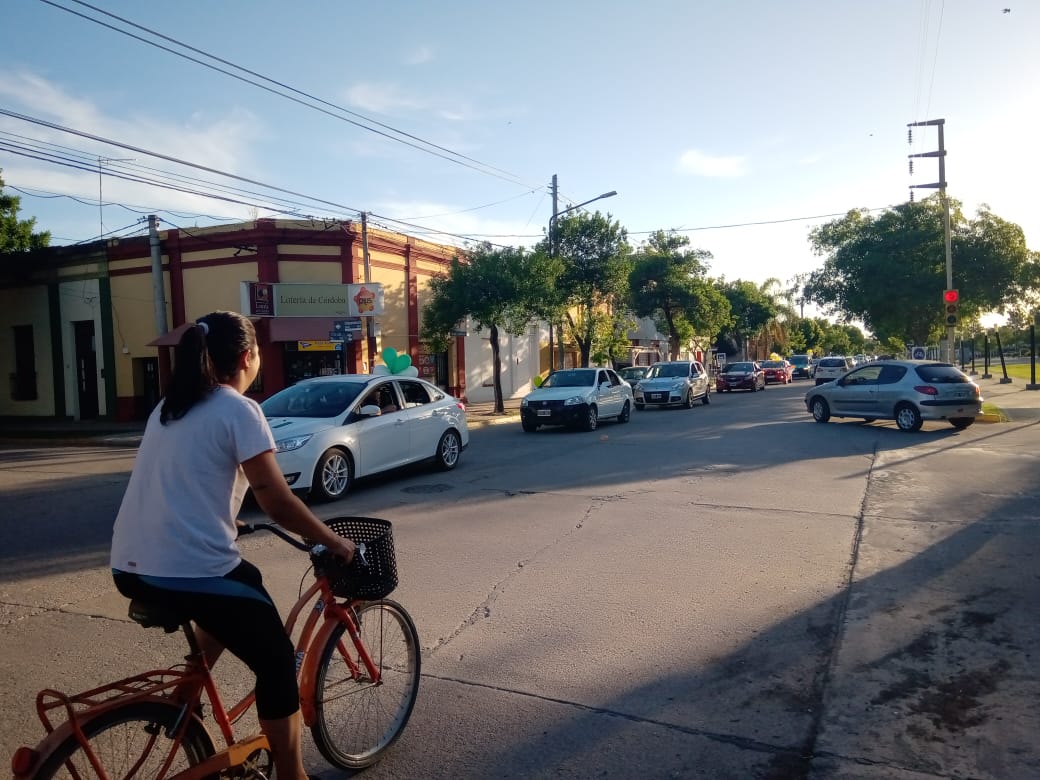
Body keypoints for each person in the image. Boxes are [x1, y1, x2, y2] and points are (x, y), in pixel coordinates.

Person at [110, 311, 355, 780]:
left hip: (128, 566)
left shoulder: (169, 408)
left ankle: (187, 692)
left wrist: (222, 519)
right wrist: (332, 540)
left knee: (241, 586)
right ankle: (293, 774)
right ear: (247, 357)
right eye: (258, 351)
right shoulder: (239, 409)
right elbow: (277, 502)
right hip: (184, 571)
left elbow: (179, 482)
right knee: (277, 660)